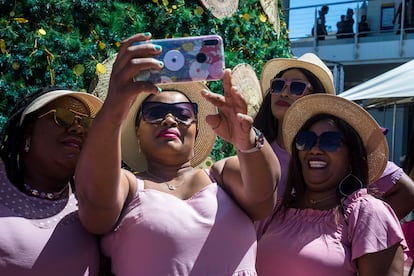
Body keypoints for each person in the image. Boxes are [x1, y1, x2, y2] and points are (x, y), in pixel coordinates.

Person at [75, 32, 280, 275]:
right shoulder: (127, 186)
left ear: (196, 129)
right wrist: (113, 107)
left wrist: (247, 139)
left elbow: (264, 194)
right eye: (155, 112)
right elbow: (94, 206)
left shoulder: (223, 176)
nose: (170, 120)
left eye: (183, 113)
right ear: (137, 132)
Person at [256, 94, 407, 275]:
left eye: (330, 141)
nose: (315, 149)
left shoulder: (368, 213)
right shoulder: (276, 210)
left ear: (351, 156)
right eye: (306, 140)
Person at [253, 52, 414, 221]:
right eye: (278, 85)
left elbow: (407, 192)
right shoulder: (256, 148)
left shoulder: (338, 149)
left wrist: (356, 231)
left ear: (317, 96)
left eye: (296, 87)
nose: (284, 93)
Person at [0, 87, 103, 275]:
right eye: (63, 117)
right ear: (28, 132)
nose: (77, 128)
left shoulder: (95, 201)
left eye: (86, 124)